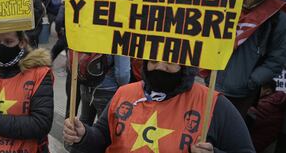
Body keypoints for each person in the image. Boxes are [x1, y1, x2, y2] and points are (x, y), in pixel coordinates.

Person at [64, 60, 255, 153]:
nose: (161, 67)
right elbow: (103, 137)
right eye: (154, 61)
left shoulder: (213, 105)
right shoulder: (125, 93)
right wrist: (84, 136)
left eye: (170, 62)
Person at [210, 0, 286, 117]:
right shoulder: (228, 4)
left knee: (227, 137)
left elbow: (277, 59)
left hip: (240, 95)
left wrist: (251, 81)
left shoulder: (276, 18)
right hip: (210, 85)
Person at [78, 54, 130, 126]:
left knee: (84, 123)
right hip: (107, 89)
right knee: (104, 127)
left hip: (86, 83)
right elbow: (123, 74)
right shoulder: (120, 42)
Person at [247, 80, 286, 152]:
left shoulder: (267, 106)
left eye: (257, 89)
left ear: (267, 91)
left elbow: (245, 117)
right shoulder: (273, 103)